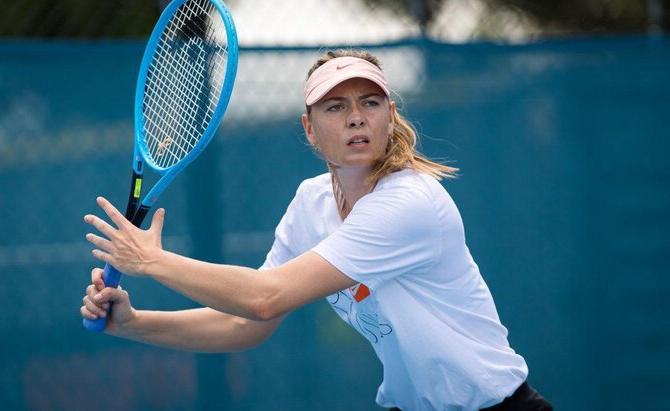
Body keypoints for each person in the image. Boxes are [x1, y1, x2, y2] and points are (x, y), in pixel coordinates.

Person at [80, 49, 553, 411]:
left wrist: (152, 261)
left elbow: (265, 298)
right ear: (309, 128)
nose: (355, 116)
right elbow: (246, 322)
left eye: (370, 103)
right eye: (335, 107)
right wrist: (135, 323)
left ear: (390, 118)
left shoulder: (410, 203)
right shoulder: (311, 203)